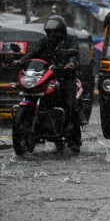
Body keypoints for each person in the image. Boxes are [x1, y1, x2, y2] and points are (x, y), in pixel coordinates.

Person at [13, 15, 81, 151]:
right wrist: (22, 60)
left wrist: (70, 63)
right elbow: (34, 52)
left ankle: (74, 138)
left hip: (65, 76)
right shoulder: (45, 41)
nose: (52, 35)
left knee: (71, 105)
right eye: (49, 32)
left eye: (54, 32)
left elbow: (74, 54)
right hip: (48, 75)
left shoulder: (71, 40)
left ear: (61, 30)